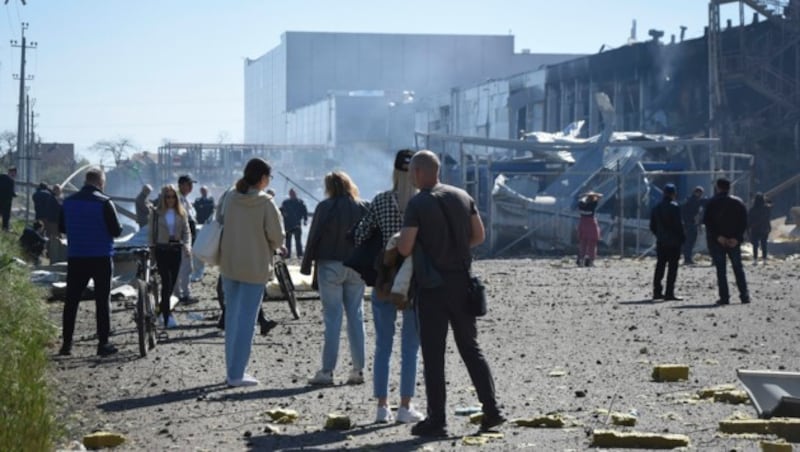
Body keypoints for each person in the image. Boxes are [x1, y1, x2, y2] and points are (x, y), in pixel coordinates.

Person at [397, 150, 504, 437]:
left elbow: (405, 247)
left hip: (432, 288)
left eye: (412, 173)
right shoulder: (462, 196)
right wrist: (455, 249)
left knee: (434, 355)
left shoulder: (417, 203)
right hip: (462, 283)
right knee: (471, 348)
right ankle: (492, 410)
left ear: (419, 173)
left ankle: (437, 419)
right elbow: (478, 236)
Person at [354, 149, 424, 424]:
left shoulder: (381, 200)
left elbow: (360, 234)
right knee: (410, 347)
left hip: (385, 279)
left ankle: (382, 407)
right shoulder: (424, 202)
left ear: (394, 172)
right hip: (414, 282)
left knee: (383, 345)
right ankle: (406, 406)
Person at [218, 158, 284, 387]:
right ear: (263, 178)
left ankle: (231, 370)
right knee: (247, 321)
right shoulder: (266, 203)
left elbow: (219, 220)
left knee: (232, 318)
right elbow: (277, 237)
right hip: (254, 267)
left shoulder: (230, 197)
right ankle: (237, 374)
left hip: (229, 264)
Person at [301, 171, 367, 386]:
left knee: (333, 319)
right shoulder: (363, 206)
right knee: (356, 317)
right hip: (357, 266)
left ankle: (327, 372)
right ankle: (358, 370)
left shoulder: (324, 207)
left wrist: (306, 266)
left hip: (330, 265)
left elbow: (313, 237)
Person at [58, 168, 123, 357]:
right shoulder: (105, 202)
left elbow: (62, 227)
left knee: (71, 301)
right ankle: (103, 344)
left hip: (77, 256)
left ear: (85, 181)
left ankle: (67, 345)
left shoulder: (68, 202)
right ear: (101, 182)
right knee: (102, 301)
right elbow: (116, 230)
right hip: (101, 256)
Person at [703, 178, 750, 305]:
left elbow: (707, 222)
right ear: (729, 188)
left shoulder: (712, 203)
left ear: (718, 187)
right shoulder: (738, 202)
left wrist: (718, 236)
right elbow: (744, 222)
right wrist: (737, 238)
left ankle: (724, 297)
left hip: (718, 241)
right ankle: (744, 296)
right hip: (734, 241)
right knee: (738, 268)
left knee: (721, 270)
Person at [149, 184, 191, 328]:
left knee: (172, 283)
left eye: (173, 196)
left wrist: (187, 245)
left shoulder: (181, 212)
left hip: (176, 250)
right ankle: (165, 317)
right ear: (163, 197)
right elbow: (151, 234)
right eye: (167, 196)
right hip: (162, 249)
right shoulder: (156, 213)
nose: (170, 199)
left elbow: (187, 232)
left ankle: (160, 309)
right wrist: (151, 253)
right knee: (166, 282)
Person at [649, 183, 685, 301]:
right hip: (674, 242)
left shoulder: (656, 207)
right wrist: (682, 238)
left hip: (661, 241)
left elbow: (652, 226)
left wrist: (659, 235)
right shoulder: (675, 207)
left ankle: (657, 292)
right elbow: (678, 225)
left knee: (660, 266)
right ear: (674, 194)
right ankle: (669, 292)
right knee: (672, 268)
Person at [174, 175, 198, 304]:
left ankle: (179, 294)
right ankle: (183, 294)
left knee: (183, 268)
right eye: (189, 184)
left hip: (185, 238)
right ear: (182, 185)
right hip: (182, 239)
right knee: (184, 268)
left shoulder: (183, 199)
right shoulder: (177, 199)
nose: (191, 187)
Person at [191, 186, 215, 282]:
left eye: (205, 191)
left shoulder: (210, 200)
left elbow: (210, 209)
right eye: (202, 191)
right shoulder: (198, 200)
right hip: (198, 224)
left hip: (207, 225)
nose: (203, 192)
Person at [576, 190, 603, 267]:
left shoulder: (581, 204)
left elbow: (581, 200)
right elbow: (600, 196)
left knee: (583, 243)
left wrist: (585, 195)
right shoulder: (593, 204)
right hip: (591, 223)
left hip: (583, 222)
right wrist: (594, 194)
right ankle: (590, 261)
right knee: (592, 243)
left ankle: (581, 260)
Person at [681, 186, 706, 265]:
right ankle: (687, 259)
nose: (700, 195)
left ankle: (687, 258)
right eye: (700, 193)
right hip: (690, 223)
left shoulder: (690, 200)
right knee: (689, 241)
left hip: (690, 223)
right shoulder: (693, 200)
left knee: (690, 241)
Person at [281, 188, 308, 258]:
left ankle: (299, 255)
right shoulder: (285, 203)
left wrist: (305, 220)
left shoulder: (300, 202)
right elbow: (281, 211)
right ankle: (287, 254)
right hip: (288, 225)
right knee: (288, 241)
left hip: (297, 224)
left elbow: (305, 212)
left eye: (293, 193)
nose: (292, 194)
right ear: (289, 194)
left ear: (296, 194)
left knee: (298, 241)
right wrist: (283, 213)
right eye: (291, 193)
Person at [44, 184, 64, 261]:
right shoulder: (54, 198)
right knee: (55, 237)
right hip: (53, 221)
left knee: (53, 237)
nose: (60, 192)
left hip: (52, 220)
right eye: (59, 190)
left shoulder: (51, 197)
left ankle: (50, 254)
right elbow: (58, 208)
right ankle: (53, 255)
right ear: (55, 190)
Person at [0, 166, 17, 231]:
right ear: (12, 172)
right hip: (6, 201)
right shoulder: (11, 181)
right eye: (14, 173)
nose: (15, 175)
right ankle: (5, 229)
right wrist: (14, 195)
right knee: (6, 216)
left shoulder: (1, 176)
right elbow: (11, 192)